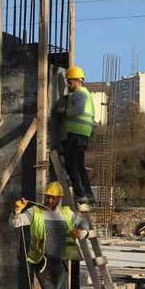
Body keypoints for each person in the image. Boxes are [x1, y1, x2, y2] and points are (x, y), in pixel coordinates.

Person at [12, 182, 87, 289]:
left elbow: (83, 222)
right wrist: (17, 211)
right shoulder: (35, 212)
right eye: (47, 197)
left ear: (59, 198)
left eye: (53, 198)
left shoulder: (66, 213)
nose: (49, 200)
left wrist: (82, 232)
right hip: (40, 259)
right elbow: (15, 223)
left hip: (60, 260)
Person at [52, 65, 95, 208]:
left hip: (77, 134)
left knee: (72, 165)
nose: (67, 84)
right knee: (79, 165)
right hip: (80, 134)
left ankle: (81, 194)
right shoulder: (80, 94)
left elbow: (77, 110)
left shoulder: (80, 94)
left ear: (77, 81)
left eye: (69, 82)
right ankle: (87, 194)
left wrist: (63, 110)